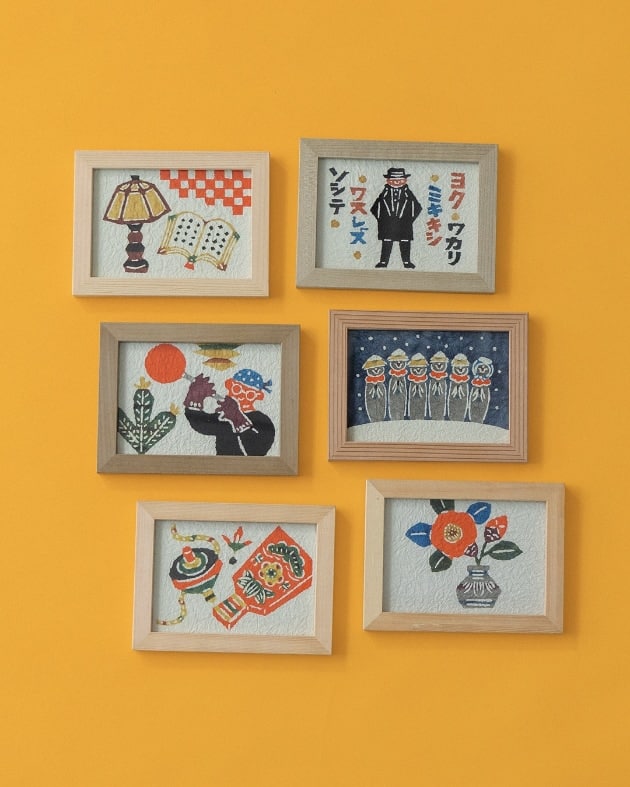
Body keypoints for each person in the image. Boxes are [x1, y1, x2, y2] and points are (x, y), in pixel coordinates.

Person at [184, 368, 275, 456]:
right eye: (237, 389)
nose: (241, 396)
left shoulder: (262, 420)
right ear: (229, 385)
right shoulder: (225, 415)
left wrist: (238, 419)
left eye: (249, 394)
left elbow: (256, 452)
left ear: (258, 396)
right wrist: (195, 397)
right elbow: (202, 425)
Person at [370, 167, 422, 269]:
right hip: (387, 224)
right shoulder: (384, 193)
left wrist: (409, 220)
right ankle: (383, 262)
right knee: (387, 242)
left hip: (404, 224)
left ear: (405, 180)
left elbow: (418, 207)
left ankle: (406, 262)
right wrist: (381, 220)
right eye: (393, 180)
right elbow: (374, 208)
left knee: (405, 242)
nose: (397, 182)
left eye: (400, 180)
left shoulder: (408, 193)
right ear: (388, 181)